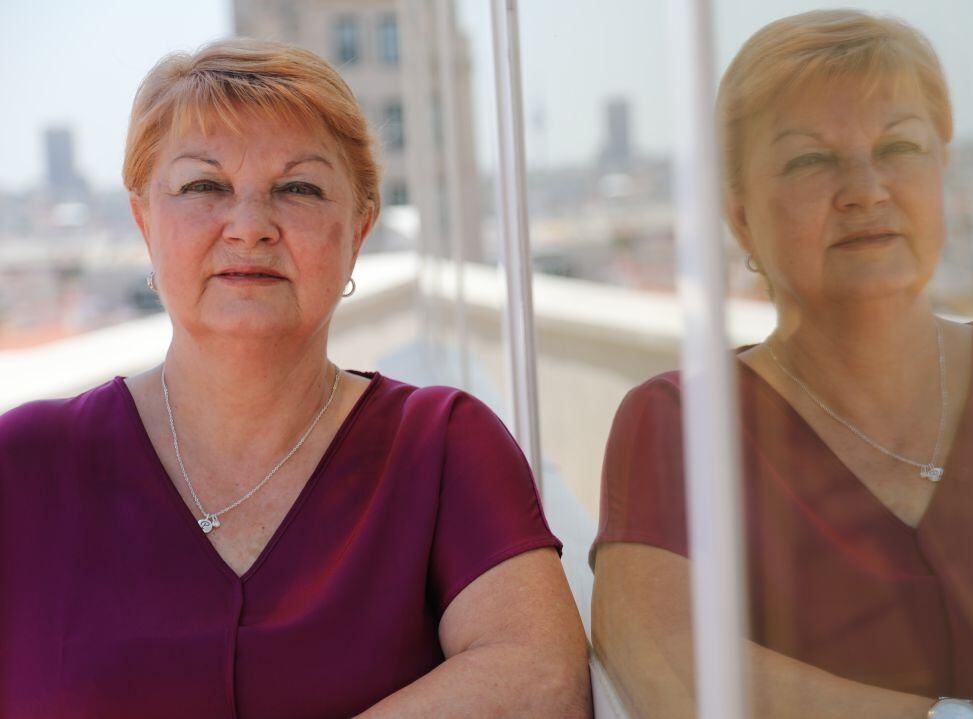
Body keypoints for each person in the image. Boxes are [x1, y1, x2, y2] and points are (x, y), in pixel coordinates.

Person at [0, 39, 590, 718]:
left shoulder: (442, 449)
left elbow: (541, 677)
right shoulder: (24, 466)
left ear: (357, 231)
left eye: (298, 189)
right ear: (145, 221)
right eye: (203, 186)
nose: (249, 227)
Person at [591, 9, 973, 719]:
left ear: (942, 171)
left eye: (900, 146)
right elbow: (666, 668)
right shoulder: (680, 427)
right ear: (741, 217)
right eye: (809, 159)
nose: (865, 188)